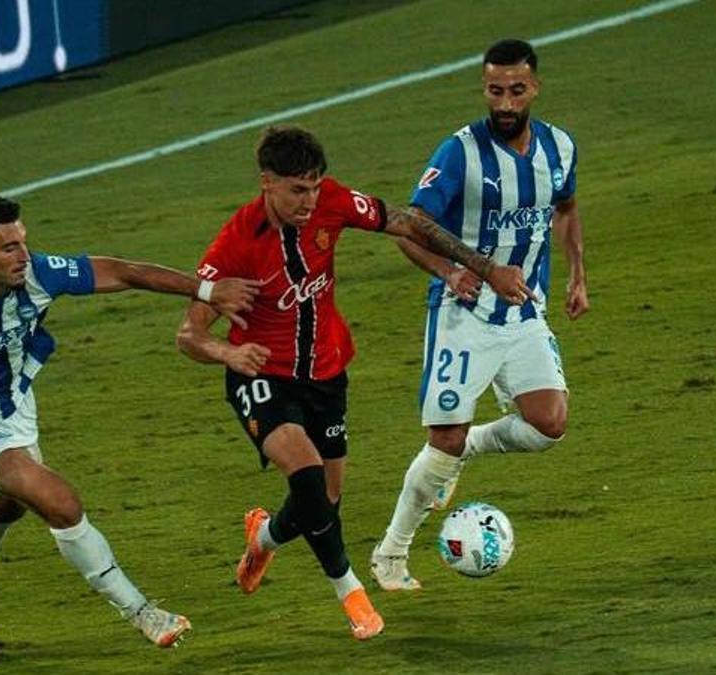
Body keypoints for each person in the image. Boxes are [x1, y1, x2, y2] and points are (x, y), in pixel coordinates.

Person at [175, 125, 531, 640]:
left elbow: (406, 222)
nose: (309, 201)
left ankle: (264, 539)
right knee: (306, 476)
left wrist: (479, 266)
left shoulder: (333, 203)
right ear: (267, 182)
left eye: (315, 187)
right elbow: (189, 336)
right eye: (298, 190)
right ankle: (353, 596)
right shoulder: (234, 246)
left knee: (323, 501)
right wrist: (229, 352)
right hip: (262, 375)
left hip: (327, 373)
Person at [0, 194, 259, 647]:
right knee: (60, 502)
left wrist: (205, 291)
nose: (23, 255)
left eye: (24, 242)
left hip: (17, 408)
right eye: (9, 247)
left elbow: (124, 272)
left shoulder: (39, 274)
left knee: (6, 503)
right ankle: (143, 612)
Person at [371, 39, 589, 591]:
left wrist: (577, 274)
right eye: (495, 91)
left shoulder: (560, 147)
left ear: (534, 87)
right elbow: (407, 225)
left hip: (524, 311)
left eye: (516, 90)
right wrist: (449, 272)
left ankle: (469, 446)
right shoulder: (459, 153)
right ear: (484, 89)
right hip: (463, 313)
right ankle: (391, 553)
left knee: (550, 425)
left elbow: (565, 207)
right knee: (442, 438)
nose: (506, 103)